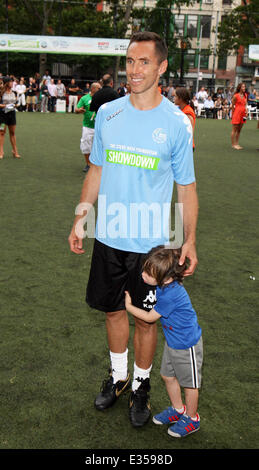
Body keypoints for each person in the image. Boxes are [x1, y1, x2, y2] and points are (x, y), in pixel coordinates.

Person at [68, 31, 198, 428]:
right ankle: (119, 376)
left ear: (161, 68)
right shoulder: (110, 113)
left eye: (144, 62)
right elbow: (97, 170)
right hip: (108, 236)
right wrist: (81, 215)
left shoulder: (177, 123)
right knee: (112, 311)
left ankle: (142, 386)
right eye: (130, 61)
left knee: (145, 317)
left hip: (151, 245)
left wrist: (189, 239)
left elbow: (186, 189)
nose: (135, 69)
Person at [125, 245, 203, 438]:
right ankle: (178, 410)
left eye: (148, 273)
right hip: (173, 342)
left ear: (165, 277)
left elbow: (150, 317)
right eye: (144, 269)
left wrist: (128, 306)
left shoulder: (170, 294)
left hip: (187, 346)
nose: (143, 275)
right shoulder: (166, 282)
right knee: (168, 377)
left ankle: (192, 419)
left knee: (190, 384)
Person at [75, 82, 101, 172]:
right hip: (88, 127)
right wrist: (79, 110)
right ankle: (88, 164)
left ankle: (99, 165)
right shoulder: (84, 98)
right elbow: (76, 109)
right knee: (86, 146)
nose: (100, 90)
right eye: (99, 88)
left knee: (100, 146)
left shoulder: (102, 98)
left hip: (99, 127)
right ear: (93, 89)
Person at [0, 76, 21, 159]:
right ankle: (1, 151)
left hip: (12, 115)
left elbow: (17, 103)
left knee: (12, 133)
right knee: (1, 132)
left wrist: (15, 105)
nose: (12, 83)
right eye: (10, 82)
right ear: (6, 83)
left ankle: (15, 151)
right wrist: (6, 106)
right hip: (2, 116)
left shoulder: (14, 92)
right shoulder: (1, 92)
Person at [231, 82, 247, 150]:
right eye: (243, 87)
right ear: (239, 88)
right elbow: (232, 105)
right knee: (234, 129)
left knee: (239, 130)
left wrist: (246, 110)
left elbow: (245, 104)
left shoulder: (245, 95)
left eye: (244, 87)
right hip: (237, 113)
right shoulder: (236, 95)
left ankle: (237, 143)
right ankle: (233, 144)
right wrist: (233, 114)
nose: (244, 88)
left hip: (243, 114)